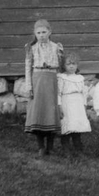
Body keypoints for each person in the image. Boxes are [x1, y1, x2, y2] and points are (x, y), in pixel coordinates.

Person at [24, 19, 64, 156]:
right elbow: (28, 68)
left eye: (44, 32)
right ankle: (41, 146)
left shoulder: (56, 47)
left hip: (52, 80)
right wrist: (29, 87)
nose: (41, 35)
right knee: (39, 113)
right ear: (35, 33)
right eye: (38, 32)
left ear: (50, 32)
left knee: (50, 113)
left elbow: (61, 68)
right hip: (37, 80)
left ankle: (50, 146)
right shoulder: (31, 48)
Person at [57, 53, 92, 157]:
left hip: (78, 103)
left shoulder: (80, 78)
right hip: (67, 101)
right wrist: (59, 106)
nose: (71, 66)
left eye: (74, 64)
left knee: (77, 125)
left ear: (77, 65)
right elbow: (58, 93)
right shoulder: (61, 77)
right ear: (64, 65)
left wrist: (84, 105)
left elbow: (84, 93)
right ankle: (66, 148)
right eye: (68, 64)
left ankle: (78, 148)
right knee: (68, 125)